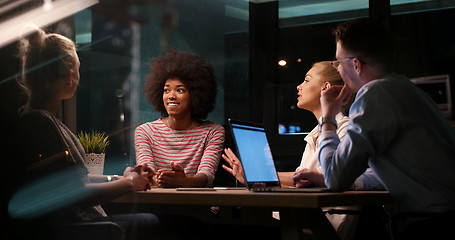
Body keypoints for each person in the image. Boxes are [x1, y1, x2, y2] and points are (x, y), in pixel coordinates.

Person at [303, 18, 455, 238]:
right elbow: (384, 175)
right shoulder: (406, 90)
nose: (337, 68)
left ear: (355, 64)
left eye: (338, 62)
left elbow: (336, 179)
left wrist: (327, 117)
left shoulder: (375, 95)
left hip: (432, 226)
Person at [11, 27, 160, 240]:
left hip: (74, 224)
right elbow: (75, 194)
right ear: (70, 77)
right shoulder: (39, 122)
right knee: (163, 223)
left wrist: (120, 176)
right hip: (76, 228)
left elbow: (76, 179)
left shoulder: (40, 119)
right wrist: (130, 184)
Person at [222, 61, 384, 239]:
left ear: (326, 87)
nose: (299, 86)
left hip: (321, 227)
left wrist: (262, 175)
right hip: (305, 221)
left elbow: (322, 176)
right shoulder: (314, 135)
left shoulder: (345, 129)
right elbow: (300, 183)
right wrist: (254, 180)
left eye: (307, 80)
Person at [135, 51, 225, 188]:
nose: (171, 96)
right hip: (157, 206)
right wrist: (168, 180)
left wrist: (185, 181)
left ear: (195, 95)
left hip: (198, 207)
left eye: (180, 90)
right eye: (166, 90)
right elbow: (146, 177)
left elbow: (207, 176)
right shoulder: (145, 132)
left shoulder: (213, 132)